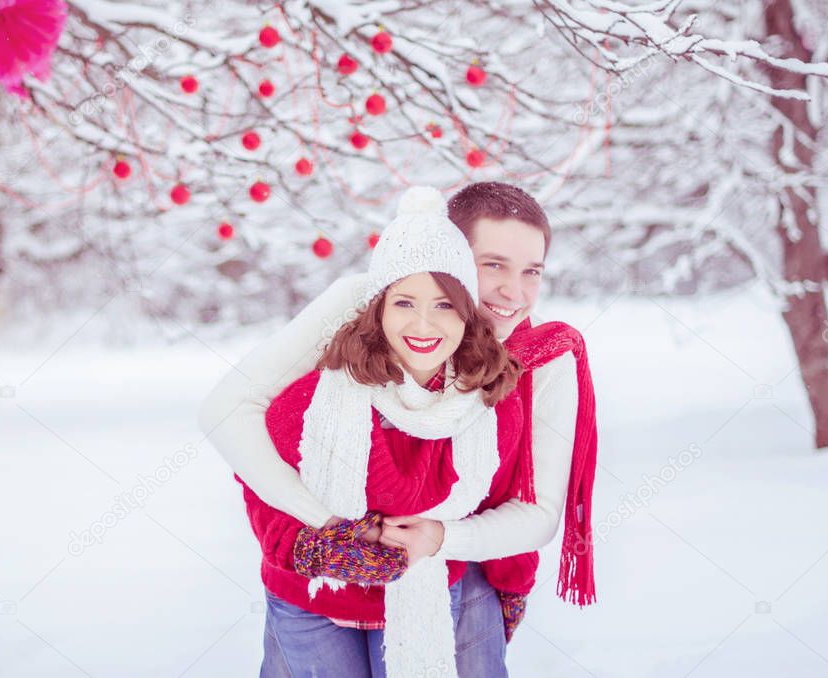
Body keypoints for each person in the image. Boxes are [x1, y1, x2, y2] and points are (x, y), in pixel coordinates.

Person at [199, 182, 599, 675]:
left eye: (531, 271)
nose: (512, 294)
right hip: (325, 576)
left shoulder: (544, 360)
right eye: (492, 265)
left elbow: (538, 512)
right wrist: (324, 532)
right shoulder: (363, 309)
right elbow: (246, 419)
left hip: (467, 561)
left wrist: (439, 539)